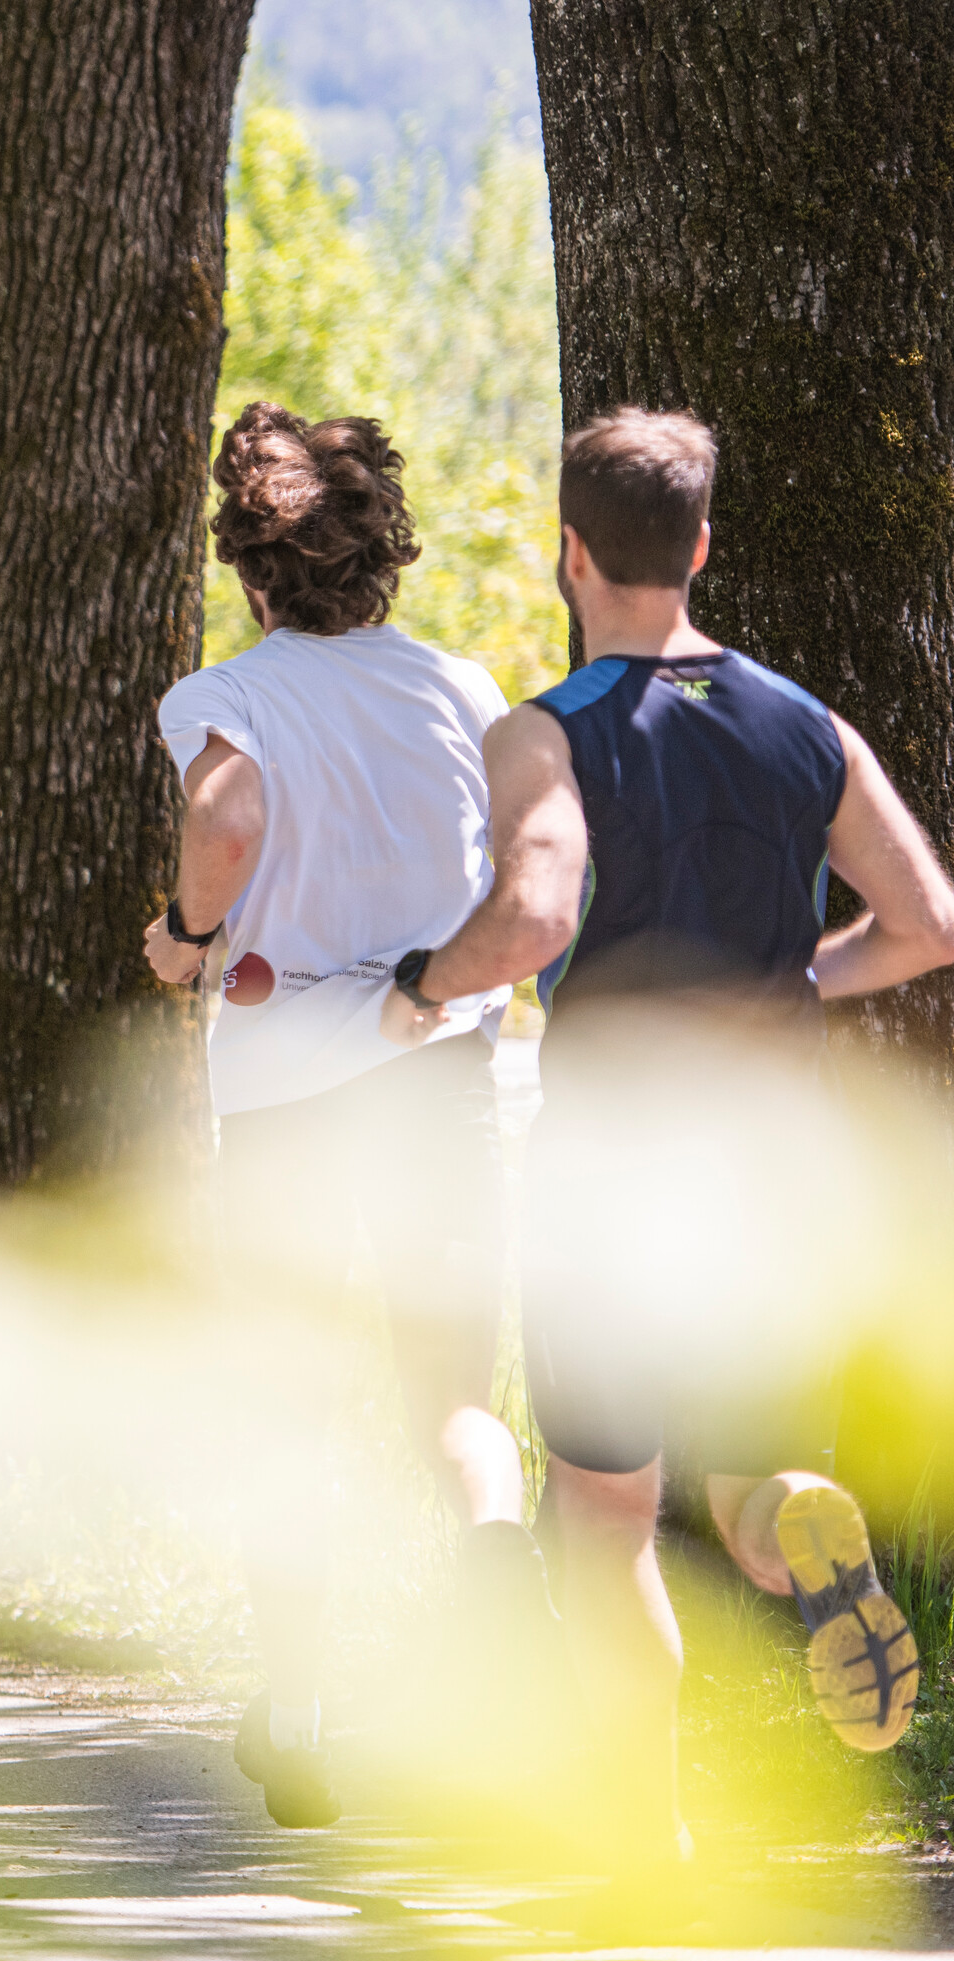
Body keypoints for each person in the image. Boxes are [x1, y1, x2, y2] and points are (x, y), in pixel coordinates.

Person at [381, 408, 954, 1857]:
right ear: (700, 546)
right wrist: (798, 978)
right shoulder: (805, 725)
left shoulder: (546, 732)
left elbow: (535, 912)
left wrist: (421, 986)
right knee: (749, 1477)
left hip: (613, 1167)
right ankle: (799, 1510)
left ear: (571, 551)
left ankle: (648, 1832)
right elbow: (926, 922)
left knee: (607, 1508)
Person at [138, 404, 533, 1829]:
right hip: (440, 1070)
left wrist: (188, 934)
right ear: (382, 551)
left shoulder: (227, 696)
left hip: (287, 1096)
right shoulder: (463, 688)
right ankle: (495, 1559)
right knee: (453, 1398)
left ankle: (297, 1711)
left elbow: (227, 820)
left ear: (252, 573)